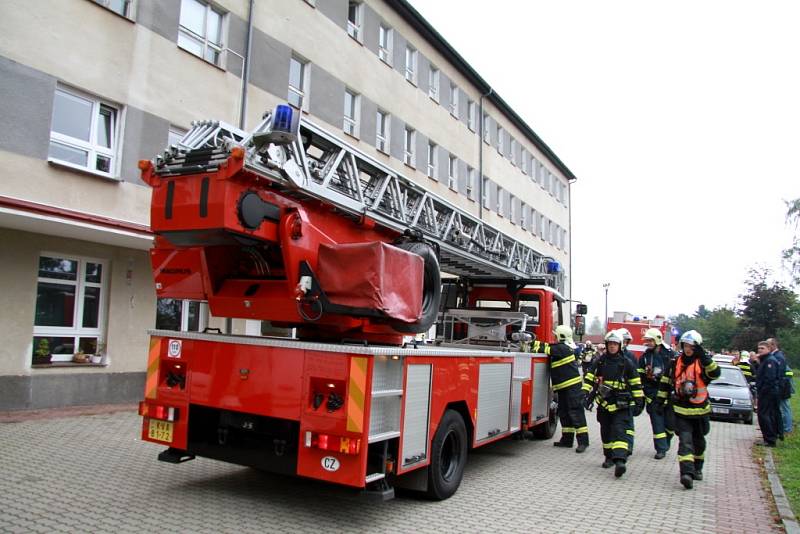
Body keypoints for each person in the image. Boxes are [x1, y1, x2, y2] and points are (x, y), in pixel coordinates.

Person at [654, 330, 720, 489]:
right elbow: (665, 382)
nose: (688, 349)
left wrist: (704, 357)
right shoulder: (675, 362)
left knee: (699, 442)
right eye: (686, 345)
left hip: (700, 411)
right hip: (681, 410)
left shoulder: (703, 363)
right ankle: (686, 474)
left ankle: (697, 468)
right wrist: (659, 401)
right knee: (685, 442)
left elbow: (716, 373)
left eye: (692, 346)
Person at [583, 330, 644, 478]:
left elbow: (635, 383)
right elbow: (590, 377)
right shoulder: (600, 361)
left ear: (620, 345)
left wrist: (639, 401)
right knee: (605, 432)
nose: (612, 347)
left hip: (621, 404)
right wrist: (584, 393)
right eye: (610, 344)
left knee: (620, 431)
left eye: (615, 344)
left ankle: (620, 461)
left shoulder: (626, 363)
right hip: (604, 403)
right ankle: (609, 457)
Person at [529, 325, 589, 452]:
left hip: (572, 388)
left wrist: (530, 341)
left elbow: (544, 348)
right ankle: (567, 440)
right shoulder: (562, 348)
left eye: (556, 335)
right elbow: (548, 347)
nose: (554, 337)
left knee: (576, 414)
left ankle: (583, 442)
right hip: (564, 388)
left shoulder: (563, 348)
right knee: (565, 413)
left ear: (561, 336)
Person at [639, 327, 675, 459]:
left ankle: (666, 441)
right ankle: (660, 449)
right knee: (657, 422)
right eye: (647, 340)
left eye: (650, 340)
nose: (647, 343)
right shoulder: (645, 357)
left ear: (657, 340)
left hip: (668, 394)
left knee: (671, 423)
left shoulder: (670, 355)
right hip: (653, 394)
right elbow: (640, 374)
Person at [755, 341, 782, 447]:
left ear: (768, 349)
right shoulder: (764, 360)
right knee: (764, 415)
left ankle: (770, 439)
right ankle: (768, 438)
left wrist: (762, 391)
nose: (760, 350)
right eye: (758, 348)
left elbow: (770, 379)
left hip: (768, 393)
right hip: (766, 392)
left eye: (762, 348)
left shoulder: (770, 361)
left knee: (765, 415)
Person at [617, 327, 638, 456]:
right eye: (623, 341)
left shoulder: (630, 356)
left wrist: (637, 396)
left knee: (628, 422)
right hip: (613, 395)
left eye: (626, 341)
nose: (624, 343)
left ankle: (628, 446)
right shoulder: (609, 356)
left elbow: (636, 376)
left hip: (627, 393)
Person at [767, 338, 795, 435]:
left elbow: (781, 374)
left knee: (784, 407)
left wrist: (779, 386)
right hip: (782, 386)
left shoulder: (778, 357)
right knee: (782, 407)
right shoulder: (776, 356)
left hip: (782, 387)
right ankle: (783, 427)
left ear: (773, 345)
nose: (767, 347)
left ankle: (787, 429)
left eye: (768, 345)